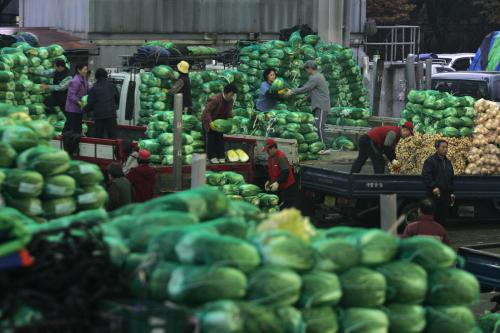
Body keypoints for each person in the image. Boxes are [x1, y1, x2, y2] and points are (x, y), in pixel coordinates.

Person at [286, 60, 331, 154]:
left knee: (319, 126)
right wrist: (305, 100)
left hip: (321, 105)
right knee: (317, 126)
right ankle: (322, 146)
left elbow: (306, 88)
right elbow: (315, 91)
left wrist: (292, 91)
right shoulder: (319, 76)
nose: (306, 70)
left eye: (306, 68)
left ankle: (326, 148)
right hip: (319, 104)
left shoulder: (315, 77)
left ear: (310, 68)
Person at [202, 83, 237, 164]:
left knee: (219, 138)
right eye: (231, 94)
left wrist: (230, 121)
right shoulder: (215, 99)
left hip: (220, 123)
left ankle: (221, 156)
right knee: (210, 138)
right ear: (226, 92)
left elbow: (229, 112)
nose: (232, 97)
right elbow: (206, 112)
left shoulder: (230, 101)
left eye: (233, 95)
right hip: (209, 121)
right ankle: (211, 157)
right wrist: (210, 122)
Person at [422, 139, 455, 225]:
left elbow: (451, 178)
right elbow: (426, 175)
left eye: (446, 147)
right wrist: (433, 186)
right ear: (437, 148)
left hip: (445, 195)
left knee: (442, 218)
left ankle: (440, 235)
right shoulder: (430, 161)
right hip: (434, 195)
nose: (445, 149)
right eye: (443, 147)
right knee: (433, 218)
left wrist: (451, 192)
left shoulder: (448, 162)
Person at [84, 68, 120, 139]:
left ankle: (100, 150)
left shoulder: (94, 88)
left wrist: (84, 109)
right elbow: (117, 99)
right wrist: (115, 106)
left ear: (96, 76)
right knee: (112, 136)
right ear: (106, 75)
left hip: (99, 116)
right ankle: (114, 149)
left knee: (99, 137)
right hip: (111, 114)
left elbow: (90, 103)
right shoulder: (112, 86)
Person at [263, 138, 297, 209]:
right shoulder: (270, 158)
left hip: (287, 187)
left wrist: (277, 182)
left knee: (285, 206)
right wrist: (268, 180)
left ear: (273, 148)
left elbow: (285, 172)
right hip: (280, 187)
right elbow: (271, 171)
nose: (267, 152)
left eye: (268, 150)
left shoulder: (281, 157)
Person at [64, 63, 89, 135]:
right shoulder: (75, 81)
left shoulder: (84, 78)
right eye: (84, 69)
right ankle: (70, 142)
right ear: (79, 70)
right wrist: (79, 102)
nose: (86, 71)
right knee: (74, 129)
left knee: (77, 128)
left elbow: (87, 90)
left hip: (79, 109)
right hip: (72, 109)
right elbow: (71, 95)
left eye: (86, 69)